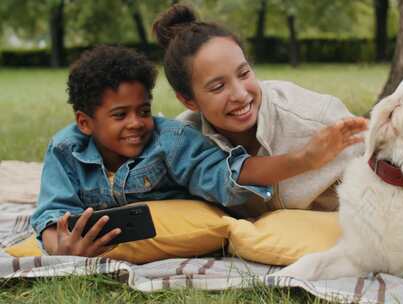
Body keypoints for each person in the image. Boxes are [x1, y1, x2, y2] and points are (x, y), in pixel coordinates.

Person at [30, 45, 366, 257]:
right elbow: (52, 210)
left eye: (143, 110)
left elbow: (228, 175)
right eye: (120, 115)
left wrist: (304, 161)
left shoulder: (173, 140)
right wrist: (61, 246)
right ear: (85, 123)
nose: (136, 123)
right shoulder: (65, 149)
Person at [153, 5, 368, 217]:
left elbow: (389, 165)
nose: (240, 94)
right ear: (188, 100)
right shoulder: (185, 140)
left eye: (244, 73)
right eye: (218, 87)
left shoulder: (317, 121)